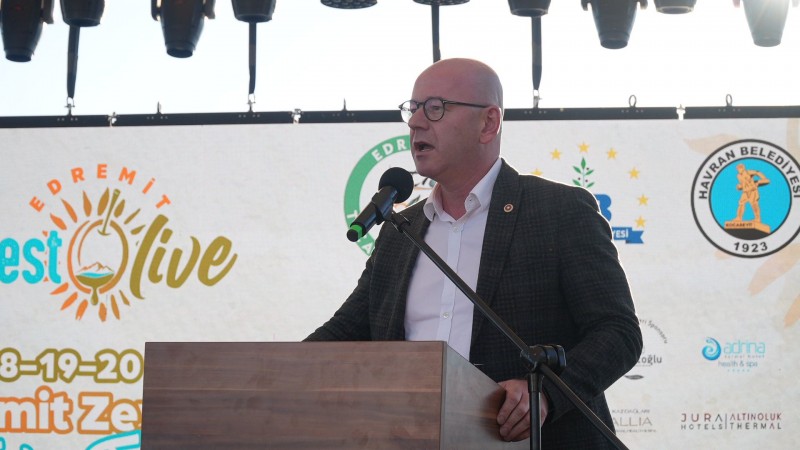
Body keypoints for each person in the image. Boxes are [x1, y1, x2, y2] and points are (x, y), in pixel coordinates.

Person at [305, 58, 642, 448]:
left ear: (488, 123)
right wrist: (270, 374)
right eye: (412, 108)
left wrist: (546, 394)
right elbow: (347, 331)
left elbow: (618, 332)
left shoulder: (559, 211)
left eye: (435, 108)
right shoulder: (401, 231)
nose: (415, 123)